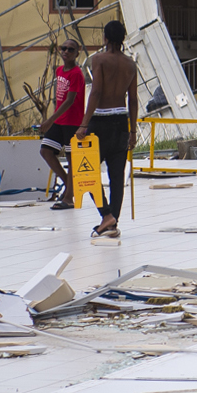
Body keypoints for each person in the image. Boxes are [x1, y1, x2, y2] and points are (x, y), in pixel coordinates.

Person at [83, 19, 138, 240]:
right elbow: (132, 99)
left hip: (100, 123)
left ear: (105, 38)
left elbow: (95, 93)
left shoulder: (99, 60)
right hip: (121, 122)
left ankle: (106, 215)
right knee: (117, 176)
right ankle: (113, 222)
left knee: (86, 172)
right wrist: (133, 131)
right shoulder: (130, 64)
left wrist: (84, 123)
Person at [38, 40, 85, 207]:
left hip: (72, 122)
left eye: (70, 49)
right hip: (60, 120)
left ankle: (68, 198)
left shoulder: (77, 74)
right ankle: (69, 185)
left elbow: (69, 101)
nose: (66, 52)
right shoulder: (59, 70)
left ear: (77, 53)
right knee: (45, 151)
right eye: (63, 48)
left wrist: (49, 119)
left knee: (72, 159)